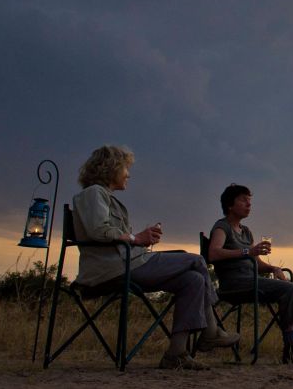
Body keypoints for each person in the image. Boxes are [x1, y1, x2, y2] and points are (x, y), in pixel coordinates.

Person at [71, 145, 239, 370]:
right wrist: (136, 238)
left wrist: (141, 238)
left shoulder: (104, 197)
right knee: (196, 261)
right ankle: (211, 331)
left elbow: (113, 234)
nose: (128, 174)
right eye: (125, 168)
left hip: (129, 263)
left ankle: (176, 353)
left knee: (194, 280)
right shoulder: (94, 193)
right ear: (110, 168)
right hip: (115, 269)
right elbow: (98, 230)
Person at [208, 184, 293, 363]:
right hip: (234, 283)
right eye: (243, 200)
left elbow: (256, 263)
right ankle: (291, 346)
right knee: (290, 290)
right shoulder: (222, 227)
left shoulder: (246, 231)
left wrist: (273, 268)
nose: (249, 204)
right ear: (229, 205)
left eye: (250, 201)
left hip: (252, 280)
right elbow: (213, 253)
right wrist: (247, 252)